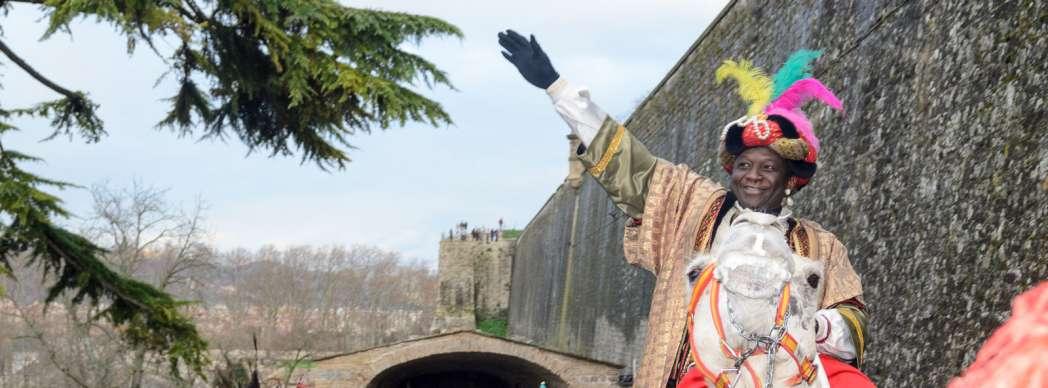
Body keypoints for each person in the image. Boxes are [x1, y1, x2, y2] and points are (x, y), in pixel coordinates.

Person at [498, 29, 874, 387]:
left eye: (768, 167)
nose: (753, 176)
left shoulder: (822, 247)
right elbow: (626, 163)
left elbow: (852, 328)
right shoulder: (690, 206)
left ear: (790, 179)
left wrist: (807, 323)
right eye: (744, 165)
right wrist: (557, 87)